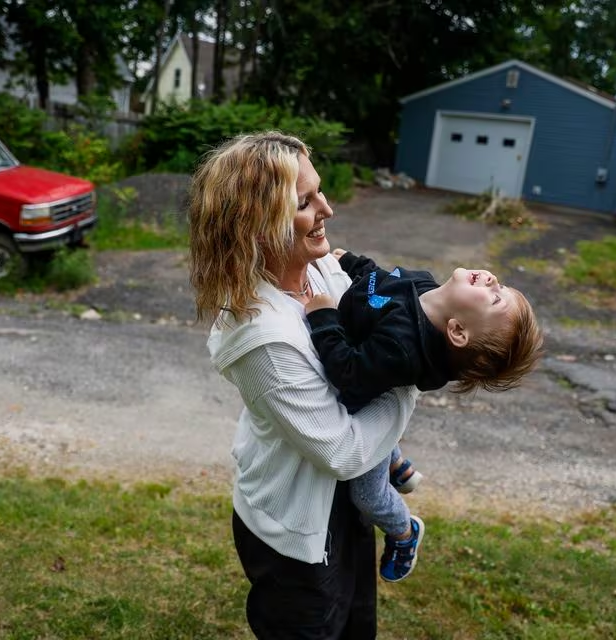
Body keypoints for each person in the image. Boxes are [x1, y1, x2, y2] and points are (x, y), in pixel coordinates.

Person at [188, 131, 420, 639]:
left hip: (347, 502)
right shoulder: (260, 333)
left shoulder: (320, 273)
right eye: (305, 203)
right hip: (296, 531)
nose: (328, 209)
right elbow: (340, 450)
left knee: (358, 629)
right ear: (256, 222)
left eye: (320, 192)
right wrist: (410, 378)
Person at [304, 249, 544, 582]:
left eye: (494, 299)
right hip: (375, 386)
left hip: (361, 407)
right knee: (380, 409)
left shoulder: (401, 348)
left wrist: (324, 320)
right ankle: (397, 464)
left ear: (458, 331)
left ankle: (403, 531)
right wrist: (351, 262)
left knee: (366, 496)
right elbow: (379, 280)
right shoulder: (423, 285)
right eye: (500, 287)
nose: (492, 281)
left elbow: (349, 371)